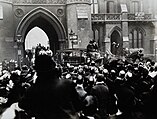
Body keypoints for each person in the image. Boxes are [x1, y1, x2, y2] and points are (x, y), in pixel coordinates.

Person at [18, 52, 83, 119]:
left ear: (37, 71)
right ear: (54, 68)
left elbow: (23, 105)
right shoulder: (67, 85)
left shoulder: (31, 91)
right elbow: (78, 106)